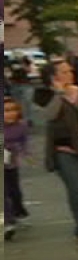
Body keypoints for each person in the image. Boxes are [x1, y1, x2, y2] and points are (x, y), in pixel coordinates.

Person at [33, 60, 78, 244]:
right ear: (54, 76)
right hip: (63, 150)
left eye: (70, 71)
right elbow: (49, 115)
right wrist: (60, 93)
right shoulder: (43, 95)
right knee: (77, 188)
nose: (70, 74)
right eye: (65, 71)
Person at [4, 96, 31, 240]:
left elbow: (24, 142)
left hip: (11, 162)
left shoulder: (21, 126)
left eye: (13, 110)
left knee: (14, 191)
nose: (10, 114)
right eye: (6, 111)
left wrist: (23, 153)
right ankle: (8, 223)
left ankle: (17, 210)